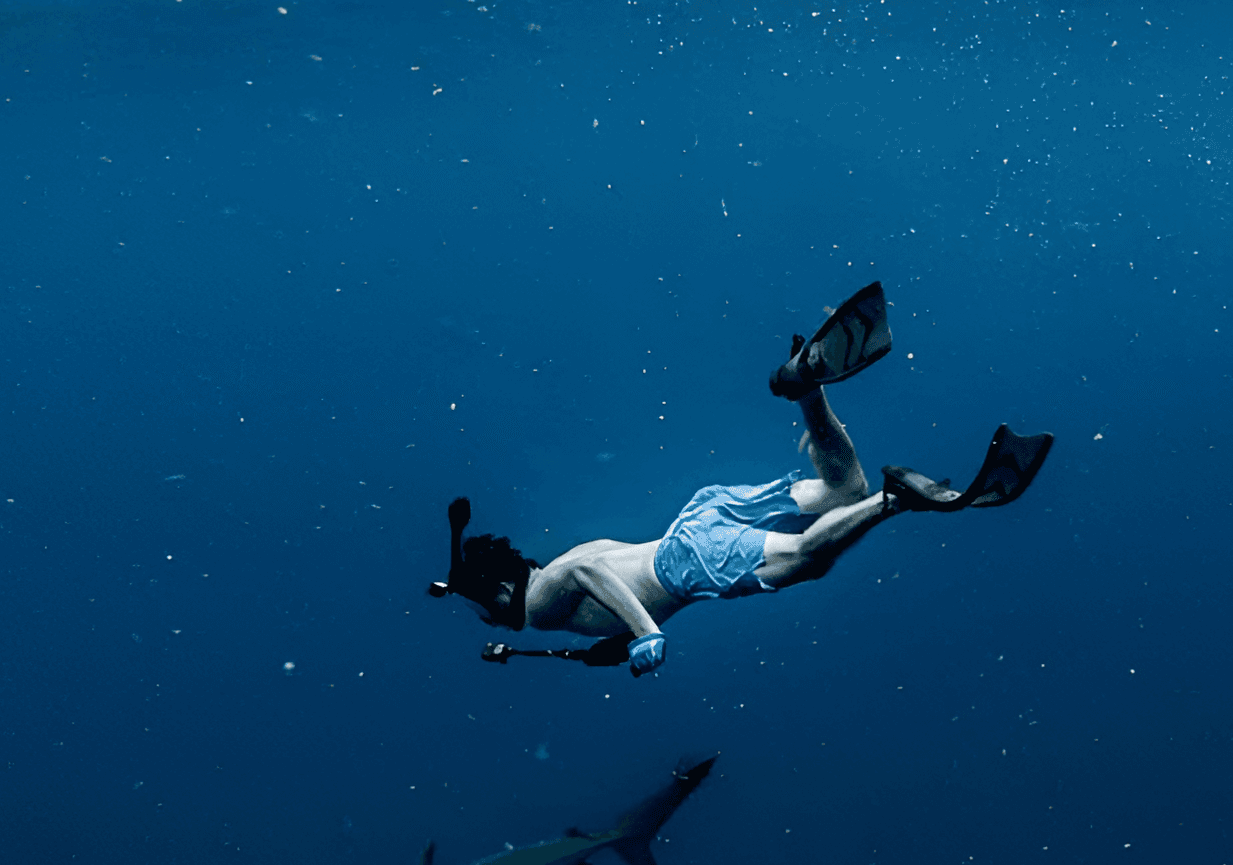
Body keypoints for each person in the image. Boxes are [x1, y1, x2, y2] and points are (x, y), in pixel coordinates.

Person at [429, 284, 1052, 676]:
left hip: (688, 562)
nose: (491, 621)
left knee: (809, 560)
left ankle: (900, 500)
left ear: (500, 594)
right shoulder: (558, 573)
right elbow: (596, 578)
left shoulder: (540, 603)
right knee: (842, 494)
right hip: (695, 524)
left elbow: (586, 577)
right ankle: (803, 389)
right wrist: (625, 638)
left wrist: (644, 633)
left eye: (487, 610)